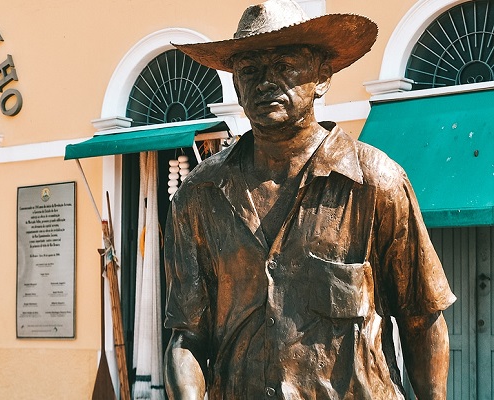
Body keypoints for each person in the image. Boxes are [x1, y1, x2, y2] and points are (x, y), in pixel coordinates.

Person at [163, 0, 456, 399]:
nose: (266, 82)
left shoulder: (377, 183)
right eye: (249, 71)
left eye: (284, 67)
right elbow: (187, 337)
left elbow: (422, 320)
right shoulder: (198, 196)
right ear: (236, 86)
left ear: (322, 76)